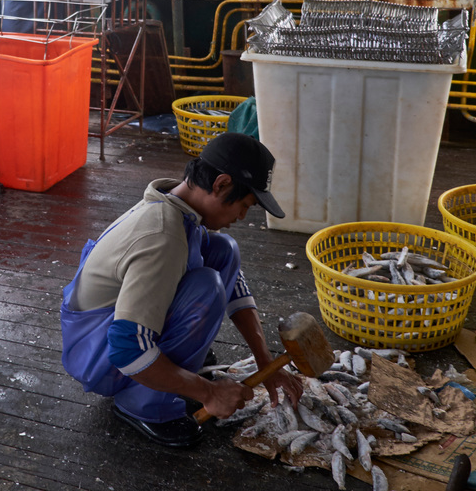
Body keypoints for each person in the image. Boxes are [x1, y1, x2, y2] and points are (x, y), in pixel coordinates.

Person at [59, 132, 304, 448]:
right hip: (100, 358)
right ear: (221, 185)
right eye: (244, 205)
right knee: (207, 288)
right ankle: (144, 406)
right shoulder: (163, 236)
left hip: (112, 336)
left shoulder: (180, 208)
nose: (242, 217)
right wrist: (208, 392)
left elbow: (236, 285)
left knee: (223, 249)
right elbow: (127, 349)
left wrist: (264, 362)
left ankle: (175, 370)